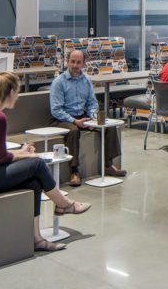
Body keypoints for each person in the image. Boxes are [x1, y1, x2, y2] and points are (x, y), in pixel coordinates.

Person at [0, 72, 91, 252]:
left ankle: (37, 240)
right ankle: (65, 204)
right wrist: (28, 156)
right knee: (37, 164)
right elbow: (2, 158)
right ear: (10, 92)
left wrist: (20, 152)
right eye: (17, 92)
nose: (17, 97)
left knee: (34, 183)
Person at [49, 49, 125, 187]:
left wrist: (92, 118)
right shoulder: (59, 82)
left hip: (82, 115)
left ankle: (108, 164)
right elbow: (56, 110)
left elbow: (92, 102)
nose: (75, 65)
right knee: (73, 131)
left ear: (84, 64)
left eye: (78, 62)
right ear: (67, 62)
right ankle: (74, 171)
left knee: (109, 126)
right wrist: (75, 121)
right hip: (63, 118)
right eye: (72, 61)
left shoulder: (86, 80)